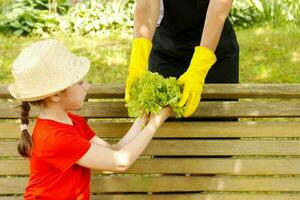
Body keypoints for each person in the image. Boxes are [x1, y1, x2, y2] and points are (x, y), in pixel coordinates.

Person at [8, 39, 172, 199]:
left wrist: (142, 120)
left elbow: (114, 151)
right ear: (56, 95)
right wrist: (155, 123)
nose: (87, 86)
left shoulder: (73, 121)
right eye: (79, 83)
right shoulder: (55, 137)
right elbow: (120, 162)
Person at [125, 0, 239, 118]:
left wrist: (199, 67)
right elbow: (147, 4)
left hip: (214, 51)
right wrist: (138, 63)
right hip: (167, 52)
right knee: (165, 129)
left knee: (219, 128)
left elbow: (219, 6)